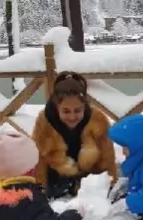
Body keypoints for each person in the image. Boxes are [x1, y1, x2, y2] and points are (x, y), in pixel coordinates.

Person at [32, 71, 118, 199]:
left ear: (85, 106)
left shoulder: (97, 120)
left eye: (78, 110)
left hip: (90, 180)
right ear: (57, 107)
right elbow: (38, 159)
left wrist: (111, 187)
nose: (72, 117)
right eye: (66, 111)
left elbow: (108, 158)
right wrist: (39, 191)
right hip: (57, 178)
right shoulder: (45, 121)